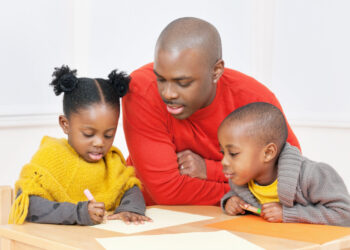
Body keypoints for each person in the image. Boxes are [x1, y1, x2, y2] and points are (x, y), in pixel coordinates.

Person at [122, 17, 300, 206]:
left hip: (238, 218)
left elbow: (292, 180)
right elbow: (167, 192)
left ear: (216, 71)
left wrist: (210, 170)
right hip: (152, 218)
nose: (168, 93)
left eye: (183, 83)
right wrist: (255, 195)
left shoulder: (256, 100)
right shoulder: (141, 88)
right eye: (160, 79)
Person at [9, 66, 151, 225]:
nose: (99, 143)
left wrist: (130, 209)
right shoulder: (51, 156)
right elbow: (28, 205)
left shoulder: (111, 162)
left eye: (108, 135)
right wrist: (78, 213)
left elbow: (131, 189)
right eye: (89, 134)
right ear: (65, 124)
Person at [219, 102, 350, 226]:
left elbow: (345, 215)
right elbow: (243, 197)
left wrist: (288, 214)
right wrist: (231, 202)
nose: (224, 161)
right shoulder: (244, 180)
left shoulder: (312, 175)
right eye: (222, 152)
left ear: (268, 153)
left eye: (233, 153)